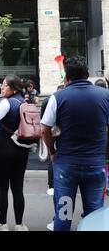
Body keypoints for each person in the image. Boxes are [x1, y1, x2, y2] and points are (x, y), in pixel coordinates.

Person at [41, 56, 109, 231]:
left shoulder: (57, 98)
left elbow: (44, 130)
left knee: (64, 216)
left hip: (66, 168)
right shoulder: (105, 96)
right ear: (87, 74)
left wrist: (52, 152)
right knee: (95, 217)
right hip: (95, 165)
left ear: (67, 77)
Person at [0, 75, 30, 231]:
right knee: (18, 188)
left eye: (4, 85)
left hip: (3, 149)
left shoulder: (6, 102)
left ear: (13, 88)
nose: (1, 87)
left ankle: (2, 224)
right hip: (21, 150)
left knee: (2, 189)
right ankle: (20, 224)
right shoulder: (24, 102)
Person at [40, 84, 65, 231]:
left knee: (64, 199)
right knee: (93, 205)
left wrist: (51, 151)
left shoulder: (55, 99)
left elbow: (45, 127)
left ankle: (60, 223)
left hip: (65, 155)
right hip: (93, 158)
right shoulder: (102, 97)